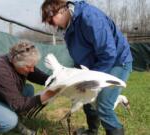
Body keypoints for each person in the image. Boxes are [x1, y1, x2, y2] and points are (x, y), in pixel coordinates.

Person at [41, 0, 133, 135]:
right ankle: (92, 131)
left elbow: (108, 53)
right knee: (87, 99)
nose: (51, 24)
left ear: (62, 10)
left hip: (116, 62)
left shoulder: (89, 17)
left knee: (103, 104)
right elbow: (80, 55)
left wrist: (90, 80)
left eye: (51, 19)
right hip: (94, 65)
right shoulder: (67, 27)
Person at [0, 40, 57, 135]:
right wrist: (44, 97)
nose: (32, 70)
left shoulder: (20, 61)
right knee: (9, 121)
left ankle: (14, 121)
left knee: (28, 89)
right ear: (15, 62)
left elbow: (38, 76)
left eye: (33, 66)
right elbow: (18, 104)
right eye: (28, 67)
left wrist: (55, 81)